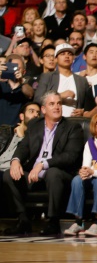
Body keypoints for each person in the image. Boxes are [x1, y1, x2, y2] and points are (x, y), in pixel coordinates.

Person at [2, 92, 84, 235]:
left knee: (53, 173)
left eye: (59, 103)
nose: (57, 107)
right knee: (9, 175)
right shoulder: (35, 125)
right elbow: (24, 147)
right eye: (52, 104)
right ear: (44, 109)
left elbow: (70, 156)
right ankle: (23, 220)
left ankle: (53, 221)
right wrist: (15, 161)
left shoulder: (72, 127)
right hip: (34, 175)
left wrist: (43, 164)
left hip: (58, 175)